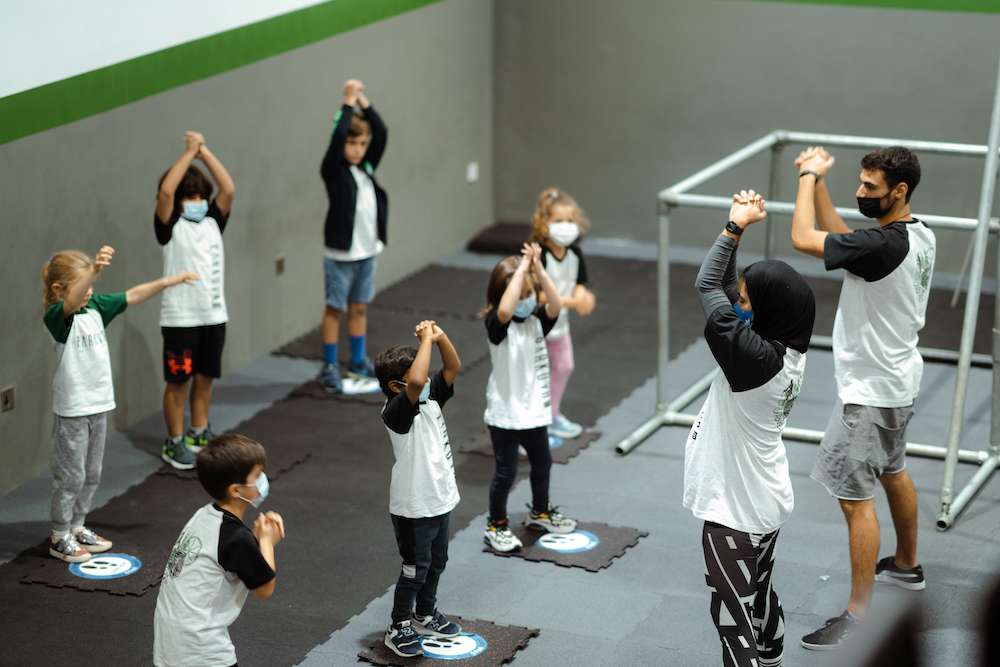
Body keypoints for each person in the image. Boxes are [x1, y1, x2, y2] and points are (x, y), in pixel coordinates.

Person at [790, 146, 933, 650]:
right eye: (859, 183)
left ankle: (858, 615)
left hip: (870, 393)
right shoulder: (917, 233)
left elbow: (804, 237)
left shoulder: (883, 246)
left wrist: (808, 177)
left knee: (856, 501)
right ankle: (907, 565)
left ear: (900, 191)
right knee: (893, 470)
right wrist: (827, 187)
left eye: (870, 188)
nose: (859, 193)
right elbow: (848, 240)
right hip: (898, 381)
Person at [684, 191, 816, 667]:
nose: (737, 303)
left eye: (745, 300)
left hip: (734, 513)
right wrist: (738, 239)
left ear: (764, 310)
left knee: (732, 620)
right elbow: (727, 288)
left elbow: (706, 284)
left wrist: (734, 227)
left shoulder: (754, 359)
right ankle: (774, 654)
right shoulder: (785, 349)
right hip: (764, 502)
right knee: (758, 592)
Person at [42, 246, 197, 562]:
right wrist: (94, 271)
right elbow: (72, 302)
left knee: (92, 473)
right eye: (82, 285)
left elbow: (133, 295)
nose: (89, 291)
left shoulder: (96, 306)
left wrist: (170, 281)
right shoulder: (58, 317)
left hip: (98, 405)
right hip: (73, 410)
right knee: (70, 476)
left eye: (91, 285)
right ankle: (60, 534)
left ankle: (77, 525)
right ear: (59, 289)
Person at [153, 434, 285, 667]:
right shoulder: (236, 537)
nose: (263, 479)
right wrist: (266, 542)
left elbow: (230, 558)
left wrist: (255, 540)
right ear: (236, 490)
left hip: (171, 641)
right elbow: (265, 588)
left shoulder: (203, 516)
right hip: (202, 649)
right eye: (257, 476)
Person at [374, 320, 463, 658]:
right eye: (419, 376)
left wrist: (439, 339)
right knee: (415, 569)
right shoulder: (396, 412)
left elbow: (453, 366)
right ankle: (398, 625)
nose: (427, 379)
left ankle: (424, 612)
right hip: (414, 508)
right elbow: (416, 380)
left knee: (438, 561)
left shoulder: (431, 398)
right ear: (396, 386)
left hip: (440, 499)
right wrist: (425, 339)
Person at [482, 243, 578, 553]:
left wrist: (537, 270)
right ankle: (496, 524)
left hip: (535, 412)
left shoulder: (537, 318)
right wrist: (521, 269)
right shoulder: (497, 325)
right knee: (505, 472)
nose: (526, 300)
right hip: (506, 414)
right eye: (519, 294)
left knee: (543, 464)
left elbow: (555, 303)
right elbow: (507, 310)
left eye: (528, 294)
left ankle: (540, 511)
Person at [155, 130, 236, 469]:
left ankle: (199, 433)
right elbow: (166, 190)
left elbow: (228, 188)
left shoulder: (214, 220)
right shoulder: (170, 225)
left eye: (201, 194)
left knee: (205, 379)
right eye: (191, 196)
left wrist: (205, 151)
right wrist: (188, 153)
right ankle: (174, 442)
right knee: (179, 382)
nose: (197, 200)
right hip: (180, 320)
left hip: (213, 316)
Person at [318, 78, 389, 393]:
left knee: (360, 307)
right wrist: (347, 103)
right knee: (336, 309)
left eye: (362, 144)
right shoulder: (332, 169)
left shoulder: (367, 167)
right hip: (341, 255)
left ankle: (358, 360)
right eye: (352, 144)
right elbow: (336, 141)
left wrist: (364, 101)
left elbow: (382, 132)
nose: (358, 150)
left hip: (367, 251)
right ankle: (330, 365)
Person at [529, 187, 597, 445]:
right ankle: (537, 424)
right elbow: (541, 295)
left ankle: (552, 415)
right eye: (558, 221)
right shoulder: (540, 254)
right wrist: (575, 302)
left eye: (570, 221)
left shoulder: (575, 253)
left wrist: (583, 297)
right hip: (538, 327)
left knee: (565, 366)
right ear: (544, 223)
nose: (565, 226)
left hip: (561, 325)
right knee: (537, 375)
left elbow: (581, 283)